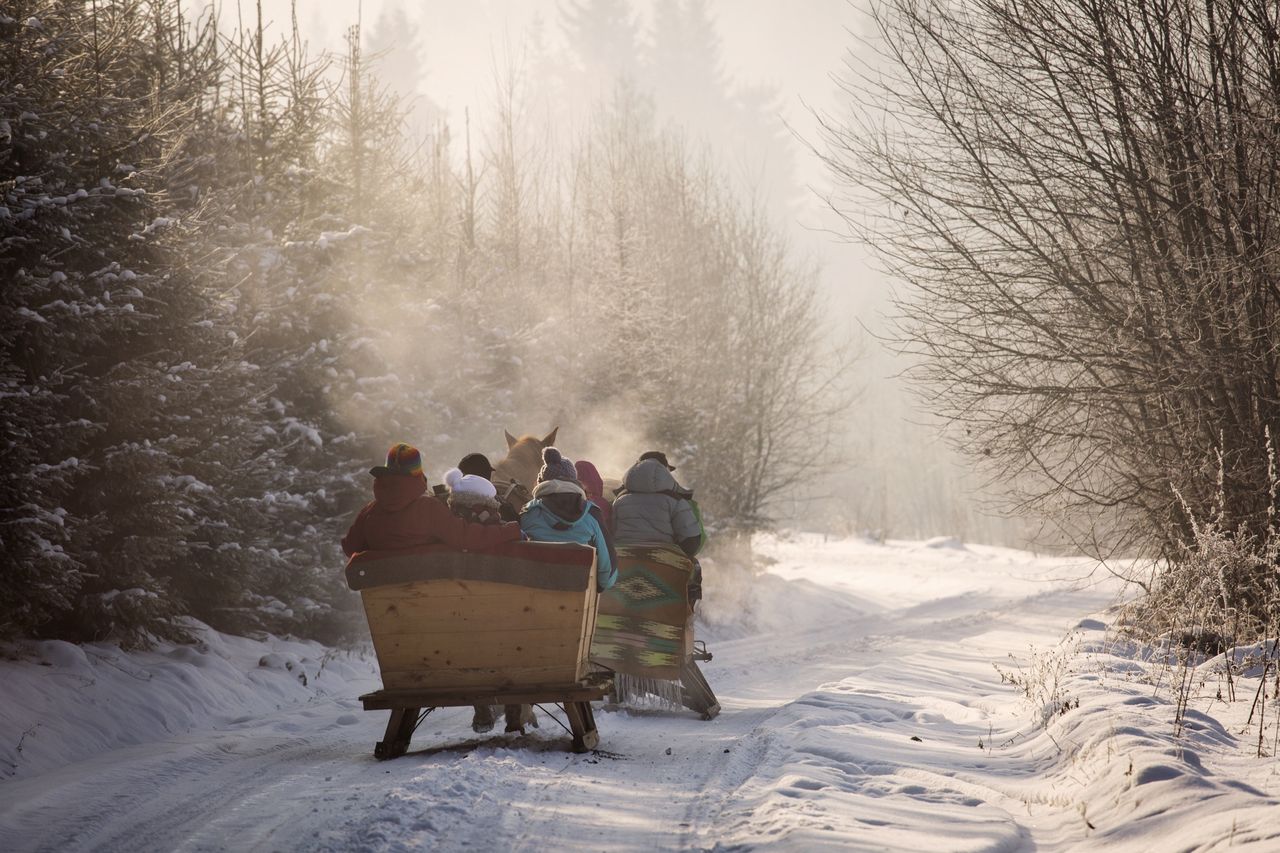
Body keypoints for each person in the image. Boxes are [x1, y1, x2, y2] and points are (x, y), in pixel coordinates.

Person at [341, 442, 521, 557]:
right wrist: (509, 531)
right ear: (418, 474)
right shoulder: (426, 509)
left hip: (385, 600)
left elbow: (350, 547)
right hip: (426, 592)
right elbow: (466, 538)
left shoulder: (370, 511)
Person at [612, 450, 706, 606]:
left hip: (623, 560)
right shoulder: (675, 501)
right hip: (663, 561)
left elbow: (612, 531)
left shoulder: (620, 500)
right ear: (665, 472)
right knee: (694, 567)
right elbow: (692, 542)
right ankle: (683, 614)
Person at [519, 448, 617, 592]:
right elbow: (608, 569)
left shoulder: (528, 512)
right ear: (574, 480)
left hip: (534, 592)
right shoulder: (591, 513)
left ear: (541, 481)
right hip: (579, 592)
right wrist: (600, 586)